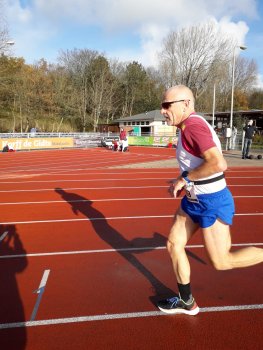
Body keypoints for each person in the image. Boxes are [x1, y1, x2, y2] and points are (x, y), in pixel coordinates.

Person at [157, 85, 263, 316]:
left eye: (167, 105)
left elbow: (218, 163)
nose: (163, 110)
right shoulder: (187, 126)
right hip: (194, 199)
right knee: (174, 243)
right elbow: (195, 164)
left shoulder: (194, 128)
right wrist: (183, 179)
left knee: (222, 261)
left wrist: (185, 178)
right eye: (162, 105)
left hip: (211, 202)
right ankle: (187, 302)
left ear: (186, 104)